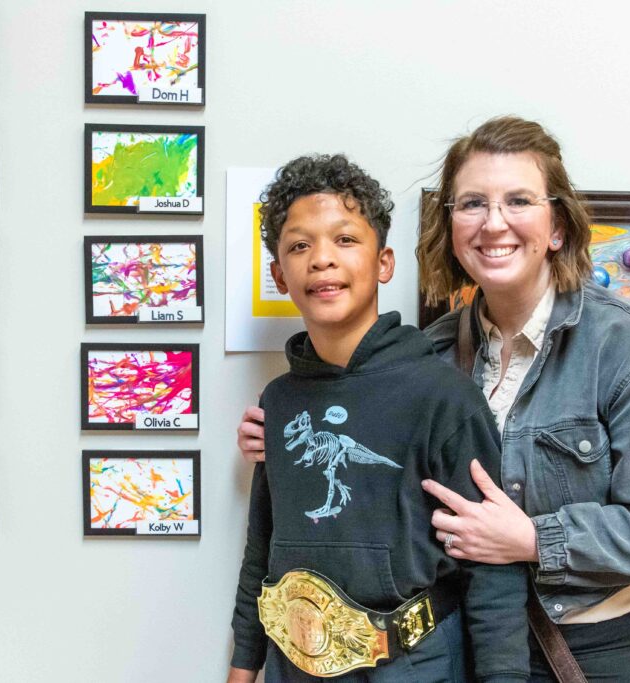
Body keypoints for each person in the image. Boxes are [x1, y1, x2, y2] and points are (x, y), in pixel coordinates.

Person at [236, 117, 630, 682]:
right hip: (469, 643)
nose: (494, 223)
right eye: (472, 204)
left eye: (518, 200)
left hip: (589, 652)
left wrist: (533, 540)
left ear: (558, 226)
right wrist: (284, 432)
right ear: (450, 227)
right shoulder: (432, 352)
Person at [228, 154, 530, 683]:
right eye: (300, 246)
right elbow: (262, 548)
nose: (322, 260)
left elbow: (492, 573)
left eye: (345, 240)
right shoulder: (278, 402)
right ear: (279, 275)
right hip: (291, 663)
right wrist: (243, 666)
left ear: (384, 263)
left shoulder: (443, 397)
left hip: (414, 665)